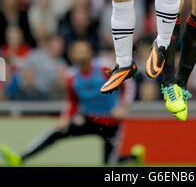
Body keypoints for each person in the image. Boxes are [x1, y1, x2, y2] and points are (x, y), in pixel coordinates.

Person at [0, 40, 140, 166]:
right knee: (56, 133)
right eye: (77, 52)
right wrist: (66, 117)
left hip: (111, 122)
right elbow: (73, 100)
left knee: (109, 163)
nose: (81, 54)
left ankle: (133, 157)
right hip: (89, 119)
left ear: (90, 52)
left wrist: (124, 106)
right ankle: (20, 158)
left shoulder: (104, 67)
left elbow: (128, 82)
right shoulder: (72, 76)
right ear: (72, 56)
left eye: (83, 51)